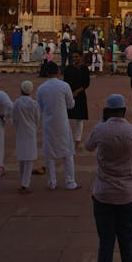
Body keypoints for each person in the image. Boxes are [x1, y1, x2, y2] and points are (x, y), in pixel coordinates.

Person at [85, 93, 132, 262]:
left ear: (107, 111)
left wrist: (102, 122)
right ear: (124, 111)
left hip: (104, 193)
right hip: (128, 193)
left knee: (105, 243)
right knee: (127, 243)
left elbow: (88, 146)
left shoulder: (100, 130)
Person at [37, 61, 80, 190]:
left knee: (49, 154)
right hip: (62, 122)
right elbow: (71, 104)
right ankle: (70, 182)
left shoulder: (41, 88)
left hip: (48, 123)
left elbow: (38, 107)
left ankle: (52, 182)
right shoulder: (64, 86)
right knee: (67, 153)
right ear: (58, 71)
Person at [13, 79, 41, 193]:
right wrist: (34, 127)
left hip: (20, 131)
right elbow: (37, 119)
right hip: (30, 131)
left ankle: (23, 181)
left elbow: (14, 118)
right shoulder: (34, 104)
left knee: (22, 157)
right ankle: (25, 183)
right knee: (29, 159)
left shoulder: (16, 103)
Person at [65, 50, 91, 144]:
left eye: (77, 57)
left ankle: (78, 140)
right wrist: (69, 93)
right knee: (66, 117)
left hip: (80, 95)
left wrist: (77, 91)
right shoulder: (68, 69)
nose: (75, 59)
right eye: (73, 57)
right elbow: (65, 82)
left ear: (81, 57)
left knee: (79, 119)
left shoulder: (84, 69)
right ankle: (67, 138)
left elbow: (86, 83)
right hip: (69, 95)